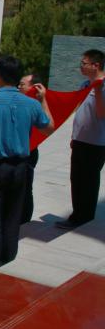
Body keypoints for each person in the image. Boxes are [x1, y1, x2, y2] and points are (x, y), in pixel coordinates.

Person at [0, 56, 54, 277]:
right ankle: (8, 257)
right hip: (20, 168)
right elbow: (48, 128)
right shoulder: (31, 104)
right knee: (12, 216)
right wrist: (43, 100)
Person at [59, 49, 105, 228]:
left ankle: (84, 216)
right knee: (76, 179)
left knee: (89, 181)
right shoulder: (85, 84)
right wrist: (74, 136)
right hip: (80, 140)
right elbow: (80, 111)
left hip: (96, 142)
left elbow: (101, 114)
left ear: (96, 65)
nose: (81, 66)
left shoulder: (102, 86)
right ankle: (77, 214)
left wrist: (98, 91)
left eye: (84, 63)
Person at [18, 73, 42, 224]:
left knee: (25, 186)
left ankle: (24, 218)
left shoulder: (36, 104)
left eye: (22, 84)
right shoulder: (19, 101)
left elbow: (46, 125)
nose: (19, 87)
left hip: (29, 150)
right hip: (17, 150)